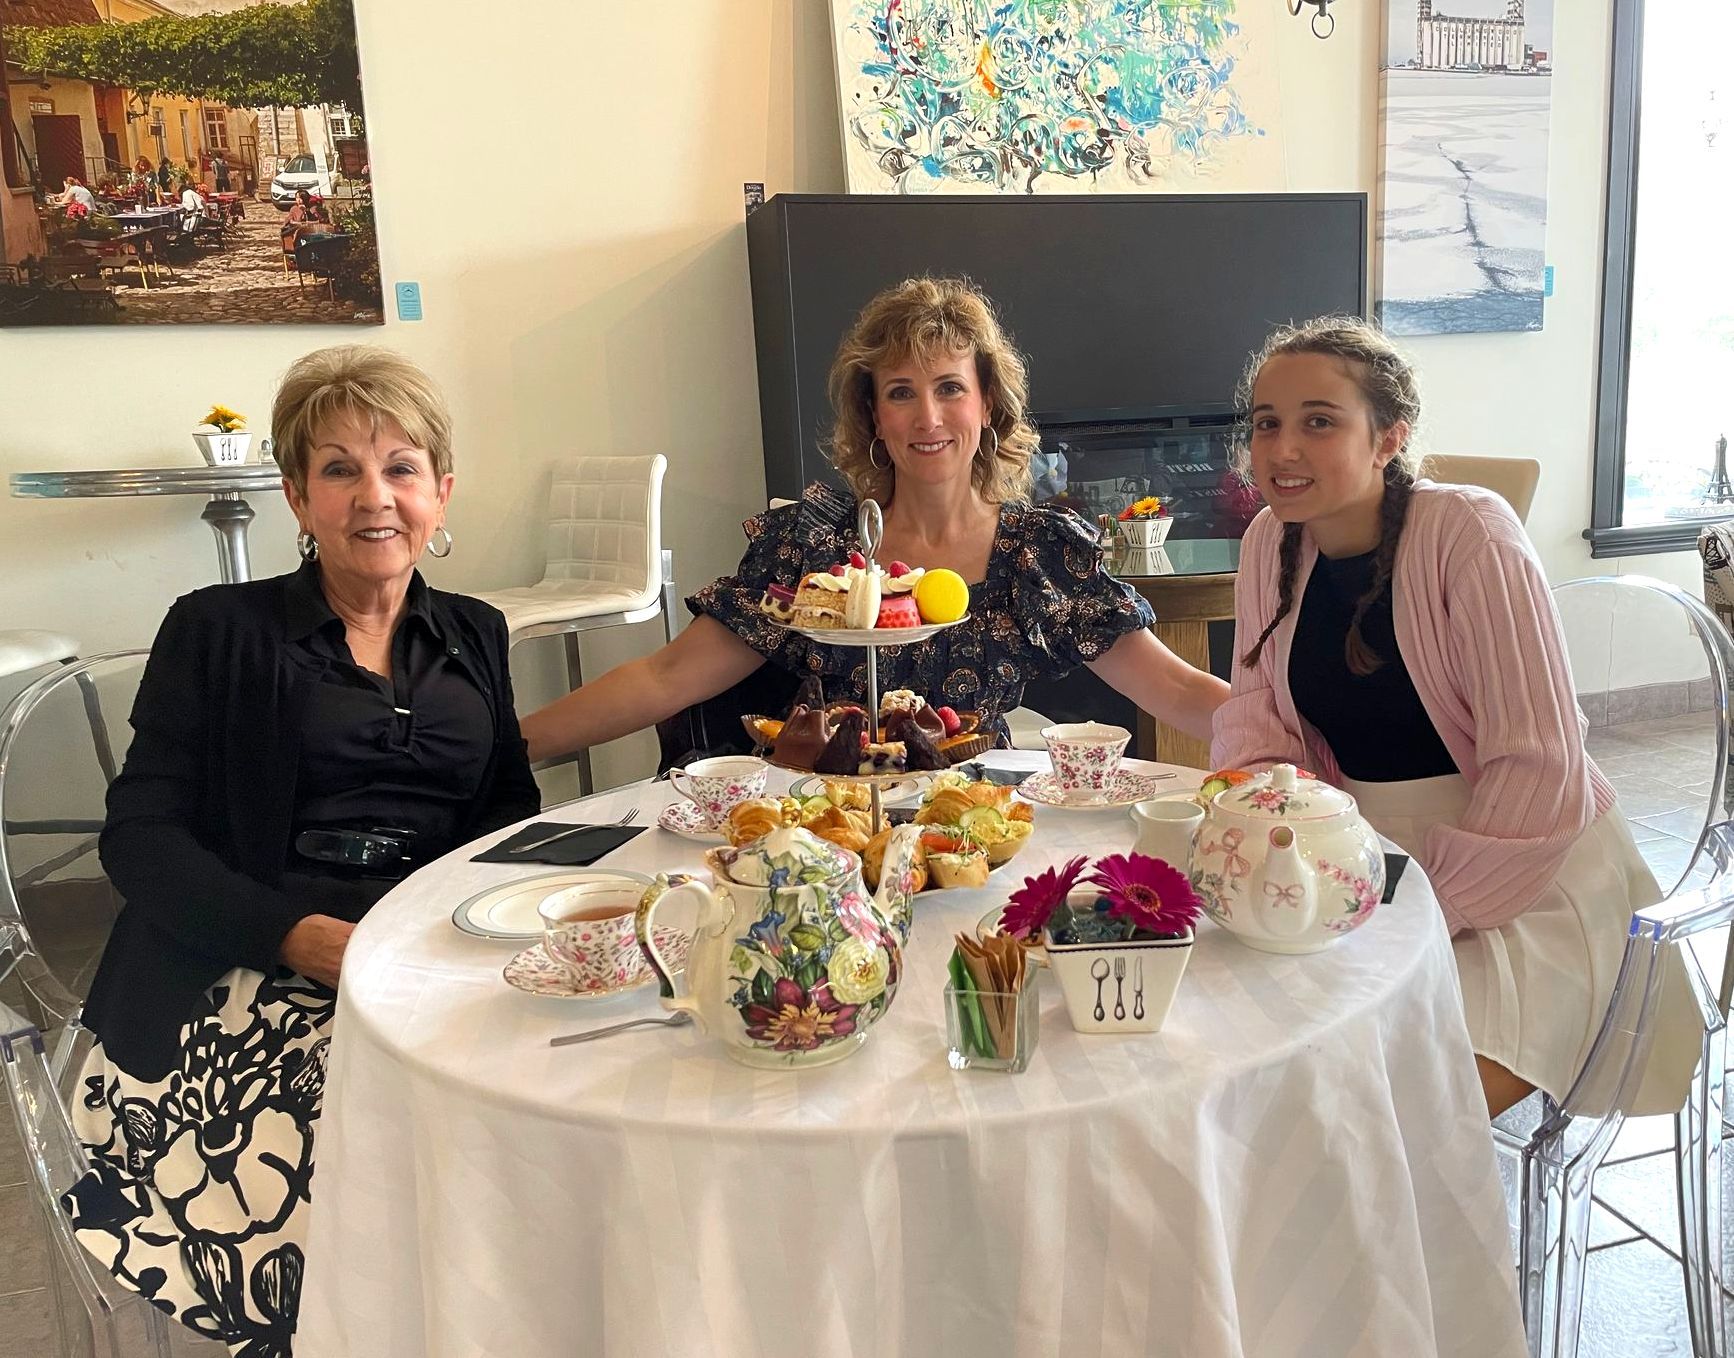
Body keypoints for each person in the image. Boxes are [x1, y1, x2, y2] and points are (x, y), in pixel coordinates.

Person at [64, 347, 541, 1352]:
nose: (377, 496)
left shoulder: (477, 631)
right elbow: (142, 838)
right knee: (364, 1141)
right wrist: (298, 935)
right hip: (243, 967)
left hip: (424, 956)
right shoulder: (217, 629)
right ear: (296, 494)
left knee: (557, 1098)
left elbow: (507, 813)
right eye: (339, 469)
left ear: (440, 490)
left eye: (402, 467)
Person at [1210, 315, 1697, 1118]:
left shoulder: (1469, 531)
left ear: (1389, 437)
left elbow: (1541, 768)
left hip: (1531, 880)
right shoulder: (1271, 540)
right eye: (1267, 424)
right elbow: (1257, 716)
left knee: (1395, 1115)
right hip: (1368, 867)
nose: (1283, 449)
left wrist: (1417, 903)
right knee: (1272, 1078)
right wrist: (1287, 831)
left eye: (1319, 422)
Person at [521, 276, 1226, 766]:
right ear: (874, 419)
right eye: (900, 393)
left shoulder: (1036, 554)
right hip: (832, 829)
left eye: (951, 388)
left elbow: (1177, 688)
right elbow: (667, 676)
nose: (928, 418)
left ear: (987, 407)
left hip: (976, 828)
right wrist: (501, 752)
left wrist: (1311, 749)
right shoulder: (816, 548)